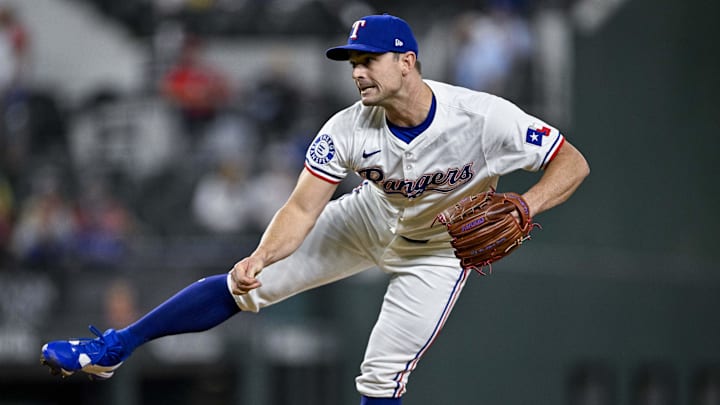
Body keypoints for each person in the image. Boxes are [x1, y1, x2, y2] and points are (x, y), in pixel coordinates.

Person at [41, 14, 589, 404]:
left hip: (438, 255)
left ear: (407, 61)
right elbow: (302, 208)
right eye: (352, 62)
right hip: (368, 218)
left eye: (369, 60)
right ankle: (114, 347)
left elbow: (572, 162)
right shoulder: (347, 126)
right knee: (242, 286)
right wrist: (261, 256)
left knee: (380, 378)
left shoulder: (481, 117)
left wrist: (526, 202)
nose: (357, 73)